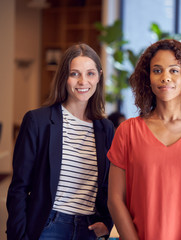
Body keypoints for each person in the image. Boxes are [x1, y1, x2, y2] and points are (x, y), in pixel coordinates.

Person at [107, 39, 181, 240]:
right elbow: (115, 200)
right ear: (148, 78)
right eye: (157, 70)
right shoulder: (127, 132)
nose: (165, 77)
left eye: (173, 70)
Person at [6, 43, 114, 240]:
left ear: (99, 76)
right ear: (64, 77)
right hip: (48, 227)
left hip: (88, 230)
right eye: (75, 74)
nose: (83, 81)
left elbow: (110, 185)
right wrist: (19, 236)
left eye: (90, 73)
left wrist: (107, 222)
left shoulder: (106, 129)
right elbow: (19, 188)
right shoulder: (37, 121)